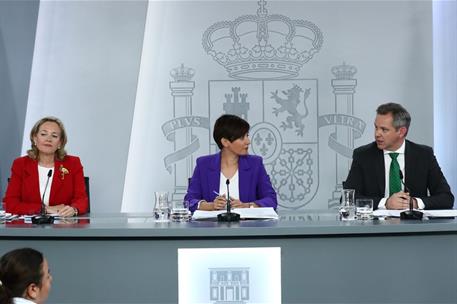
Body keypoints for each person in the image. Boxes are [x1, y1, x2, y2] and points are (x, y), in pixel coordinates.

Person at [344, 102, 454, 210]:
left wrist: (414, 203)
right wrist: (385, 203)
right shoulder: (363, 155)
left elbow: (446, 198)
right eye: (376, 127)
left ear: (401, 132)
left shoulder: (424, 155)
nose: (377, 134)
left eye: (384, 129)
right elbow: (347, 199)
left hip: (414, 226)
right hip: (375, 226)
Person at [184, 114, 277, 212]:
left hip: (247, 226)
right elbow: (189, 200)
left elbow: (271, 200)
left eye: (247, 136)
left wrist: (248, 206)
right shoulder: (203, 164)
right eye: (242, 138)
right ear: (225, 142)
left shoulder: (255, 164)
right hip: (212, 226)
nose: (248, 141)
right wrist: (211, 205)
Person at [3, 117, 88, 217]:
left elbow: (81, 200)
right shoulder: (21, 164)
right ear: (35, 138)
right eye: (43, 134)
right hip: (29, 228)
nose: (48, 139)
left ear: (60, 143)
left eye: (54, 136)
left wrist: (74, 209)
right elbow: (10, 204)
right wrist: (44, 209)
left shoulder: (73, 163)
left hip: (63, 226)